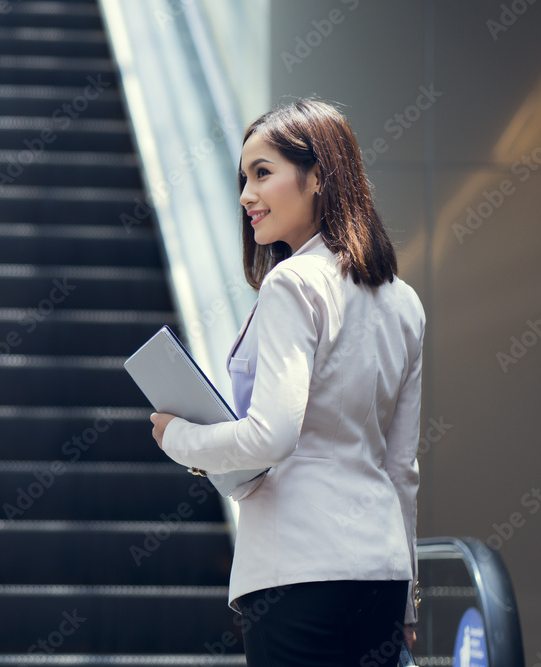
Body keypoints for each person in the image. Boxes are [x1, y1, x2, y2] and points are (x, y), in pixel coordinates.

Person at [150, 99, 424, 667]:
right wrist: (410, 600)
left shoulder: (291, 284)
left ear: (319, 175)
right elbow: (401, 467)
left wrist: (180, 438)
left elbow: (271, 436)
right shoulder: (404, 302)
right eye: (242, 179)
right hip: (381, 574)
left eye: (262, 173)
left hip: (295, 569)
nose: (246, 195)